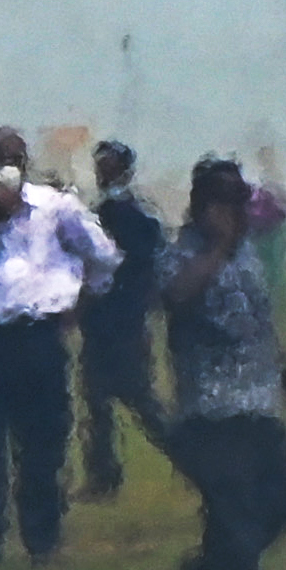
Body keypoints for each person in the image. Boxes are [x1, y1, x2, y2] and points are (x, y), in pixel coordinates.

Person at [152, 155, 286, 570]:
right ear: (203, 207)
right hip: (211, 412)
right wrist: (218, 246)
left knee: (275, 509)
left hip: (259, 405)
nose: (239, 213)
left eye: (241, 203)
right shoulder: (180, 254)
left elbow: (261, 328)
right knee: (235, 522)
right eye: (227, 203)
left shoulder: (247, 256)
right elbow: (176, 298)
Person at [0, 128, 120, 568]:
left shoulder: (56, 207)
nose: (6, 167)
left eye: (14, 158)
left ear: (26, 163)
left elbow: (103, 255)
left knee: (43, 445)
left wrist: (79, 302)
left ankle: (42, 542)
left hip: (40, 337)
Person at [78, 140, 171, 500]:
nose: (102, 173)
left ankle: (106, 477)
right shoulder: (136, 215)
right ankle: (103, 477)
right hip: (110, 321)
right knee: (104, 404)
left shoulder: (118, 216)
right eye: (100, 166)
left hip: (119, 321)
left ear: (123, 171)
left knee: (138, 403)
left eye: (108, 167)